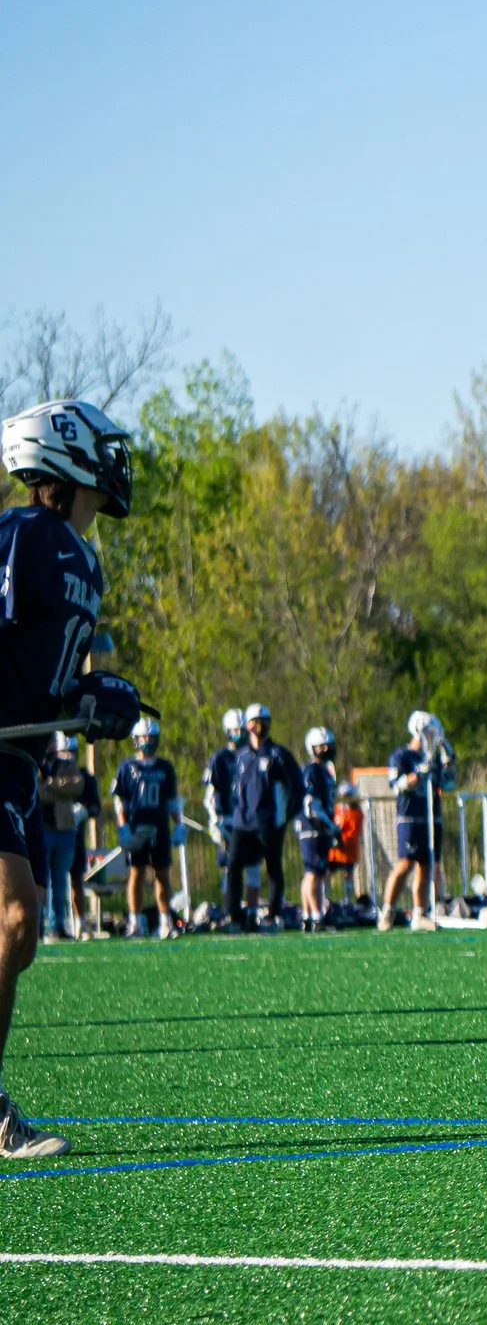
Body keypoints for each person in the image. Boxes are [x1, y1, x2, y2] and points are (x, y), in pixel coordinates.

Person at [0, 398, 147, 1159]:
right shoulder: (22, 536)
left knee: (15, 937)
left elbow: (43, 679)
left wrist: (91, 702)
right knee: (18, 919)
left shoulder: (85, 560)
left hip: (17, 764)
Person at [224, 703, 300, 932]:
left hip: (269, 822)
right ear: (247, 725)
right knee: (233, 865)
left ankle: (273, 916)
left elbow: (296, 787)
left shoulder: (279, 755)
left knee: (273, 867)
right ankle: (234, 917)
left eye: (262, 721)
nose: (258, 726)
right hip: (242, 822)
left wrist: (286, 817)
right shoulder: (241, 756)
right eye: (253, 721)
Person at [379, 710, 453, 931]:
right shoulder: (401, 756)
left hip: (430, 817)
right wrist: (420, 772)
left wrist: (447, 765)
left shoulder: (434, 759)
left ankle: (419, 912)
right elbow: (397, 785)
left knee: (426, 865)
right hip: (410, 817)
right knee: (405, 863)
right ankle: (388, 910)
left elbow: (445, 785)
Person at [114, 716, 180, 939]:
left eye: (152, 737)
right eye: (144, 737)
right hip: (136, 827)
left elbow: (172, 800)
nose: (148, 741)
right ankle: (135, 922)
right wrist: (123, 827)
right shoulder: (127, 767)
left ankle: (165, 921)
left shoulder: (165, 767)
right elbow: (120, 801)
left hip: (159, 827)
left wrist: (178, 823)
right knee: (136, 873)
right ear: (136, 739)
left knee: (162, 873)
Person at [34, 734, 97, 941]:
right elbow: (37, 791)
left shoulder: (66, 765)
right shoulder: (33, 764)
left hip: (63, 831)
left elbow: (76, 785)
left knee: (59, 882)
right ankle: (37, 927)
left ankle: (57, 926)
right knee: (39, 882)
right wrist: (57, 788)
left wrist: (50, 784)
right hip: (41, 831)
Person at [296, 727, 341, 926]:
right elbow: (312, 805)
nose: (326, 749)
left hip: (319, 827)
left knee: (313, 872)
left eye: (328, 745)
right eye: (321, 746)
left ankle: (307, 915)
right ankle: (316, 915)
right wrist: (330, 825)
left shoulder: (324, 771)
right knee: (314, 872)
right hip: (313, 827)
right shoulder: (311, 770)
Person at [202, 707, 244, 910]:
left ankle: (245, 907)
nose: (241, 734)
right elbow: (210, 793)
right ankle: (230, 908)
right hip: (228, 818)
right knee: (230, 865)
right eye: (236, 730)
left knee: (249, 865)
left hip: (248, 819)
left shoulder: (251, 755)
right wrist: (215, 819)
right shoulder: (219, 758)